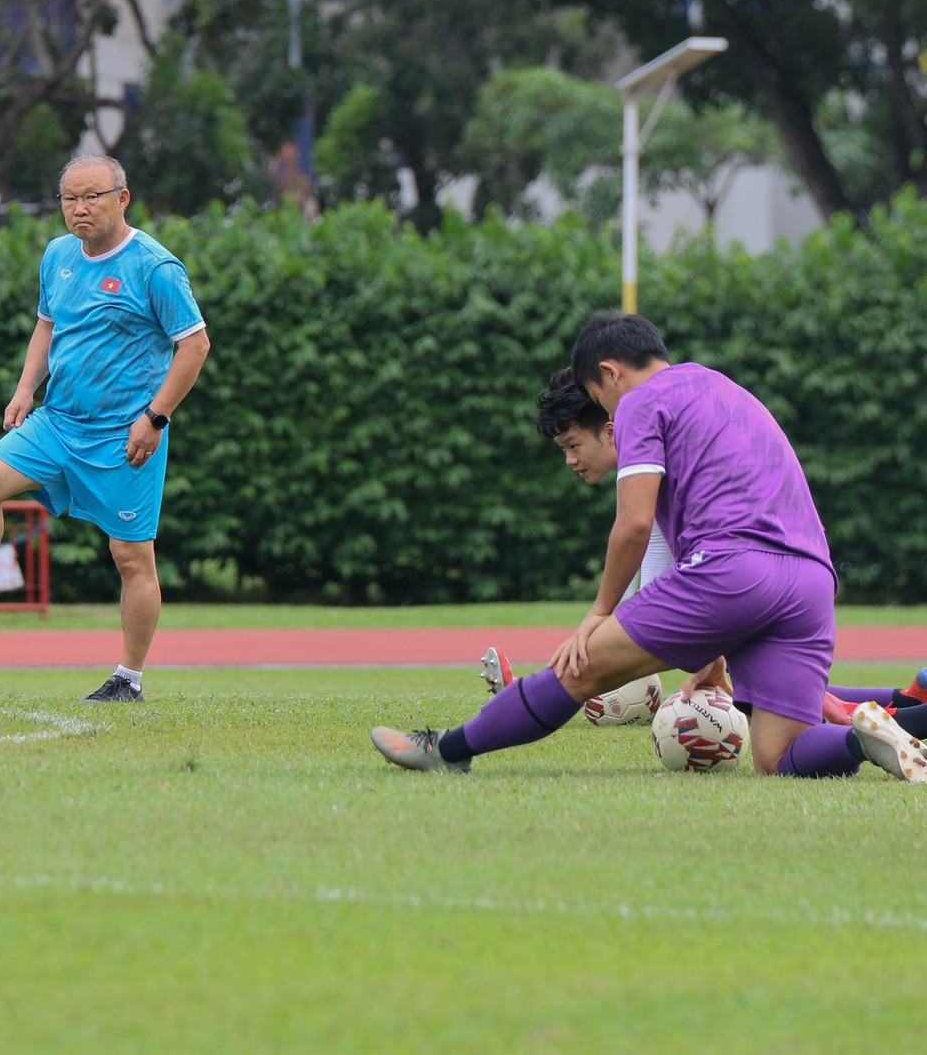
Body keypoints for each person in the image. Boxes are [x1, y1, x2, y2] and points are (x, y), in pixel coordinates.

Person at [372, 313, 927, 781]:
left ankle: (444, 751)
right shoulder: (723, 387)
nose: (608, 418)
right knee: (777, 756)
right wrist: (713, 644)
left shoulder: (638, 403)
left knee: (579, 667)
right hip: (809, 579)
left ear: (609, 374)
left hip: (733, 570)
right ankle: (873, 736)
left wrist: (598, 613)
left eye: (596, 398)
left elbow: (634, 525)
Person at [0, 155, 210, 702]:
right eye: (70, 198)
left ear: (122, 198)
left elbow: (195, 345)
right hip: (58, 422)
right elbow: (47, 325)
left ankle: (128, 679)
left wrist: (155, 418)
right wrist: (25, 388)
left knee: (131, 558)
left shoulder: (156, 267)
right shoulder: (58, 255)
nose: (80, 208)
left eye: (93, 197)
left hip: (125, 435)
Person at [474, 370, 674, 705]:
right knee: (653, 627)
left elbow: (641, 534)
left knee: (669, 630)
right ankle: (543, 692)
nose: (570, 459)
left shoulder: (660, 455)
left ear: (610, 432)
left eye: (573, 445)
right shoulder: (644, 462)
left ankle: (532, 695)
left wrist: (601, 617)